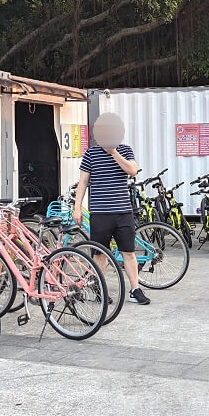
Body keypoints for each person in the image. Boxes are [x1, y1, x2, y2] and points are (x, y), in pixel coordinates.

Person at [74, 113, 150, 305]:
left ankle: (135, 290)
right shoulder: (91, 153)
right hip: (100, 213)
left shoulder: (125, 150)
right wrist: (77, 209)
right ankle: (99, 289)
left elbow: (132, 170)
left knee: (129, 252)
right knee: (99, 254)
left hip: (123, 212)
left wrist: (114, 152)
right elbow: (82, 183)